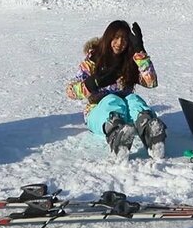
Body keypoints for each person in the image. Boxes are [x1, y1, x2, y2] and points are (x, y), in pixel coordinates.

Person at [66, 20, 167, 159]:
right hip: (97, 113)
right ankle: (116, 135)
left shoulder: (129, 63)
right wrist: (93, 83)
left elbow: (151, 82)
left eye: (124, 39)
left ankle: (150, 133)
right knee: (112, 100)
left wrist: (140, 52)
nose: (119, 43)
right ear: (108, 38)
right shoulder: (93, 61)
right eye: (116, 38)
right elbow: (70, 91)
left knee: (133, 99)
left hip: (125, 113)